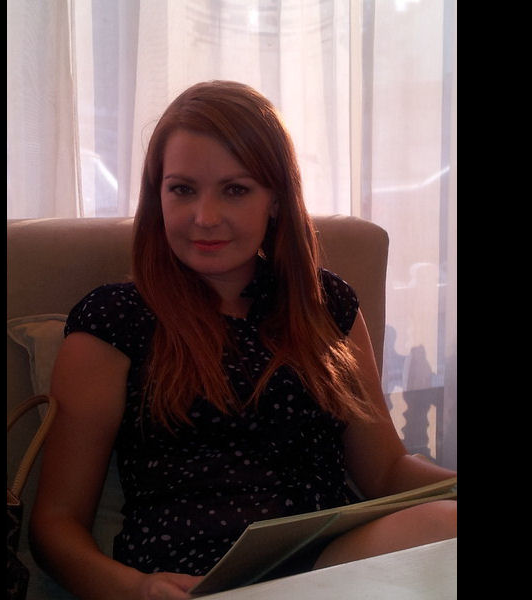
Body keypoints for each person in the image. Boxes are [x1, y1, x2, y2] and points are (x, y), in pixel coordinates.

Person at [29, 80, 456, 600]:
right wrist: (138, 589)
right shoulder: (113, 320)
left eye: (235, 189)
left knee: (446, 525)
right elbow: (55, 525)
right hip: (193, 581)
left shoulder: (326, 304)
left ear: (275, 199)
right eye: (182, 189)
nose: (205, 217)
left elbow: (386, 472)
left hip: (324, 565)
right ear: (157, 196)